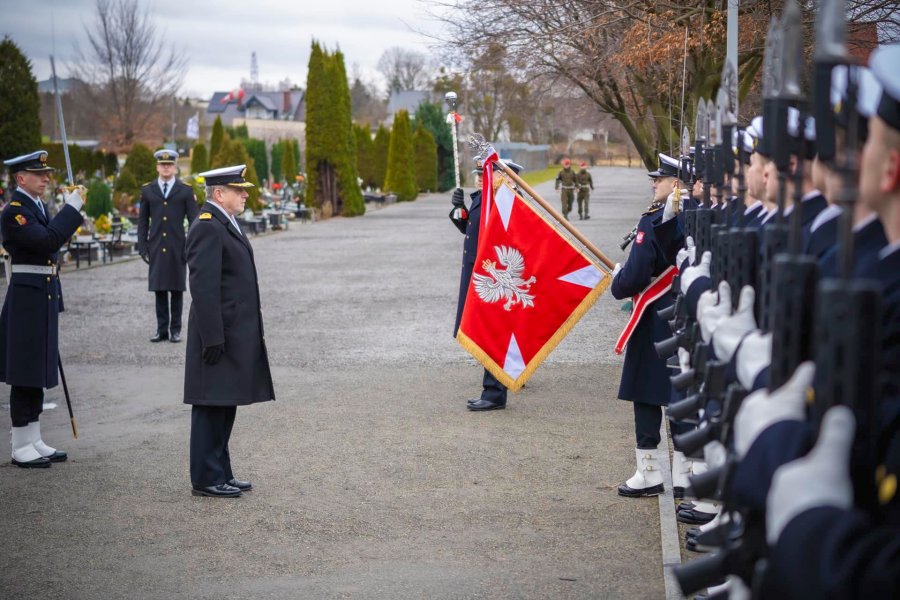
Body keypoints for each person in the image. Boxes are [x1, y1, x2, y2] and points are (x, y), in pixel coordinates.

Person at [184, 164, 275, 497]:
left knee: (225, 402)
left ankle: (221, 470)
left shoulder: (226, 222)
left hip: (231, 331)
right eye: (239, 190)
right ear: (219, 193)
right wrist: (212, 337)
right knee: (211, 405)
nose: (246, 194)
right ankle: (206, 478)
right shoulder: (208, 226)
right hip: (217, 333)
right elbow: (203, 287)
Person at [611, 153, 691, 497]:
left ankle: (649, 472)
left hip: (653, 314)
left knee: (645, 393)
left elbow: (636, 274)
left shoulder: (653, 221)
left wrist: (618, 280)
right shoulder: (695, 217)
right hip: (683, 314)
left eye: (659, 179)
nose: (653, 183)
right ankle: (687, 474)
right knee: (680, 393)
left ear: (676, 184)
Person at [0, 150, 85, 468]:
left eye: (47, 172)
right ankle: (20, 442)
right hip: (26, 299)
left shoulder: (37, 207)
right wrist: (72, 209)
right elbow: (48, 241)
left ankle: (33, 436)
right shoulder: (15, 213)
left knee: (37, 367)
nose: (47, 177)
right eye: (40, 173)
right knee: (24, 370)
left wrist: (67, 211)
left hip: (42, 295)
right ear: (21, 178)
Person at [449, 159, 520, 411]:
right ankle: (493, 387)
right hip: (477, 273)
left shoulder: (504, 201)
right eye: (478, 174)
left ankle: (494, 392)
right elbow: (472, 230)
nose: (479, 178)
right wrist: (459, 209)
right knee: (483, 328)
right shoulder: (485, 197)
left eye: (486, 173)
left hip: (491, 276)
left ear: (504, 175)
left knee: (491, 331)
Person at [137, 149, 200, 343]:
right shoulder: (148, 190)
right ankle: (161, 329)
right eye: (163, 165)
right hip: (156, 246)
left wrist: (191, 247)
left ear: (175, 167)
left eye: (169, 165)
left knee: (176, 289)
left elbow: (194, 222)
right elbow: (142, 222)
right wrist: (142, 246)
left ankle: (175, 330)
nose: (166, 168)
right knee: (159, 289)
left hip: (178, 247)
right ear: (157, 167)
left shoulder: (185, 191)